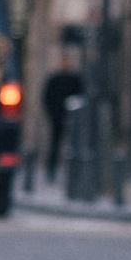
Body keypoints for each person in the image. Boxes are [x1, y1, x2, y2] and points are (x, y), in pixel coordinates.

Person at [40, 37, 84, 184]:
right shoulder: (55, 79)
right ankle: (51, 170)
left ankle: (73, 173)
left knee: (73, 145)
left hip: (72, 118)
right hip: (57, 117)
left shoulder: (74, 79)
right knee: (55, 144)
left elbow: (80, 95)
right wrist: (53, 113)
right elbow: (47, 97)